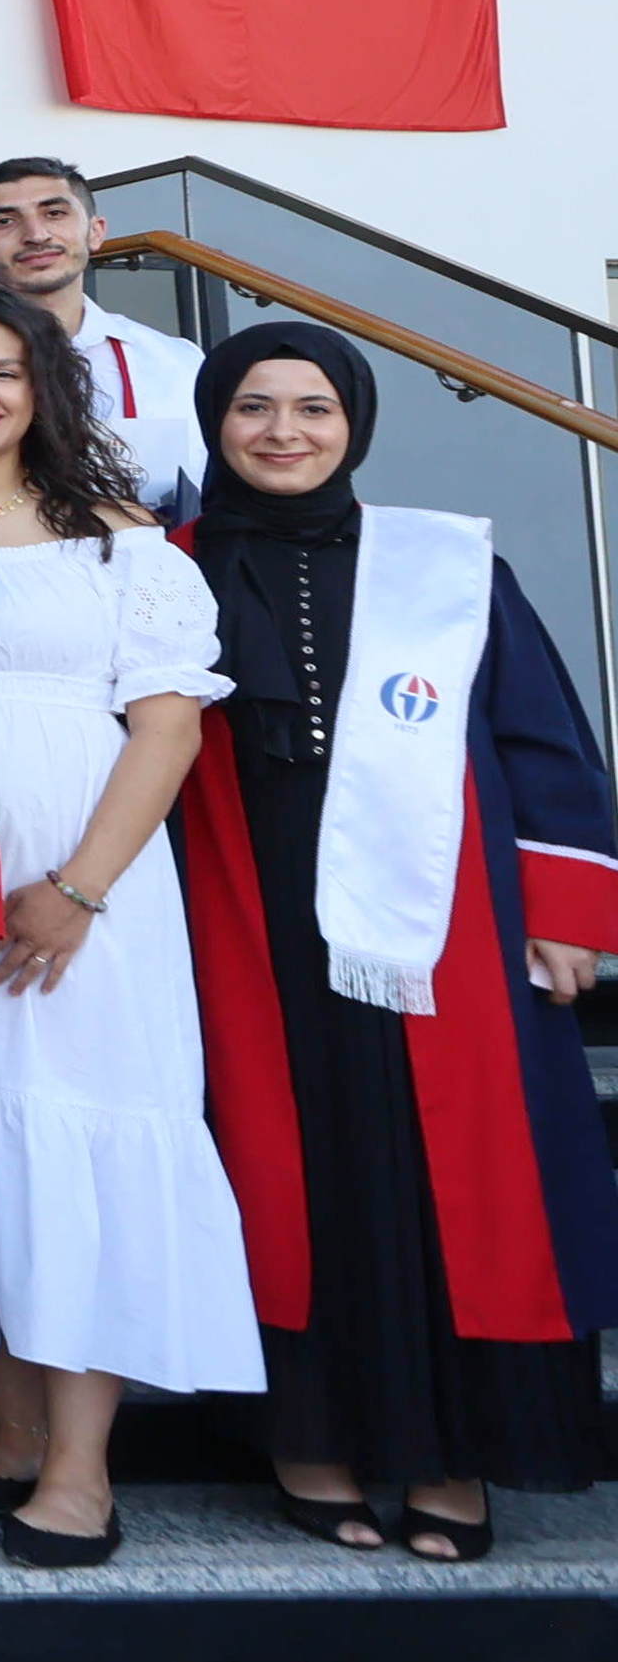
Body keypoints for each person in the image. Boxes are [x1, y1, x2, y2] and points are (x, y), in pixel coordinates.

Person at [170, 321, 618, 1566]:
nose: (282, 432)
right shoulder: (168, 568)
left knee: (444, 1183)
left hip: (443, 922)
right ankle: (307, 1441)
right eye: (252, 408)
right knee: (292, 1174)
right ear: (214, 424)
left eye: (311, 408)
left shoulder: (445, 566)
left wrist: (566, 915)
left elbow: (542, 741)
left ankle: (449, 1455)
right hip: (246, 914)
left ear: (354, 423)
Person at [0, 282, 259, 1568]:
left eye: (1, 371)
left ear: (42, 390)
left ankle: (81, 1470)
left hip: (86, 883)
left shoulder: (118, 539)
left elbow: (167, 728)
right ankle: (11, 1432)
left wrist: (77, 886)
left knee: (75, 1132)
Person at [0, 157, 207, 510]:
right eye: (5, 222)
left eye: (54, 213)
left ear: (96, 232)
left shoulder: (176, 362)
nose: (36, 235)